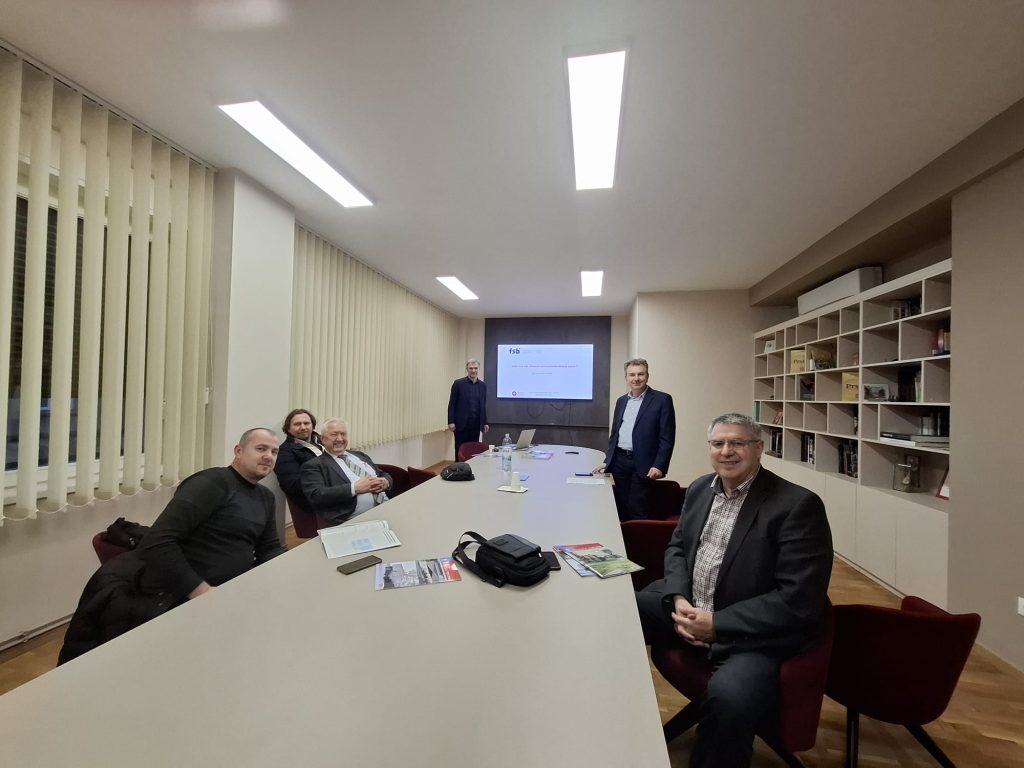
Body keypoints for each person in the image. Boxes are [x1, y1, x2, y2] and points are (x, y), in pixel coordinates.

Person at [635, 413, 833, 768]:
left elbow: (799, 600)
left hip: (752, 636)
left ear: (758, 449)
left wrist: (716, 624)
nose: (726, 451)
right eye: (718, 443)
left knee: (730, 699)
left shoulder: (797, 505)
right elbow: (678, 549)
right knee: (615, 612)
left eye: (738, 443)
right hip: (690, 608)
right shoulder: (700, 489)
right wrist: (678, 599)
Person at [58, 428, 287, 664]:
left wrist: (287, 575)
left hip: (229, 597)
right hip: (180, 597)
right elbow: (158, 541)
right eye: (261, 449)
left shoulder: (265, 497)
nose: (268, 456)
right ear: (238, 451)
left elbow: (269, 548)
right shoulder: (211, 484)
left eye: (274, 451)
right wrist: (202, 592)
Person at [593, 358, 676, 520]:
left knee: (638, 507)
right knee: (621, 507)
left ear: (647, 376)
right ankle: (622, 535)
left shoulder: (662, 400)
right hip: (620, 461)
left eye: (640, 374)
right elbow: (615, 434)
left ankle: (638, 536)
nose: (636, 378)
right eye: (632, 375)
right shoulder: (621, 401)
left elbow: (667, 437)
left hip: (644, 463)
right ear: (626, 378)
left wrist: (659, 465)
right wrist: (608, 460)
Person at [300, 418, 392, 525]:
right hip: (354, 519)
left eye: (343, 434)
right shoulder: (314, 466)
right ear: (323, 439)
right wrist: (354, 488)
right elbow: (316, 496)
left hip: (387, 507)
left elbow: (381, 473)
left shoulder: (360, 455)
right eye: (334, 434)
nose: (340, 439)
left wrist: (386, 481)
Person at [274, 408, 324, 514]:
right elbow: (295, 486)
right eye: (297, 424)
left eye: (306, 423)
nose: (303, 427)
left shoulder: (322, 441)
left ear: (312, 426)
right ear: (288, 429)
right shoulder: (284, 453)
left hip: (337, 490)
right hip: (317, 503)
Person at [447, 358, 489, 460]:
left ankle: (471, 468)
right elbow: (452, 404)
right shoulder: (458, 384)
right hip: (461, 425)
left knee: (473, 451)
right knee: (460, 450)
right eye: (471, 368)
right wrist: (451, 421)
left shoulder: (483, 386)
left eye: (475, 368)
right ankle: (458, 468)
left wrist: (485, 422)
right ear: (467, 369)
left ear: (478, 369)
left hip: (475, 425)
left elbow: (483, 405)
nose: (473, 371)